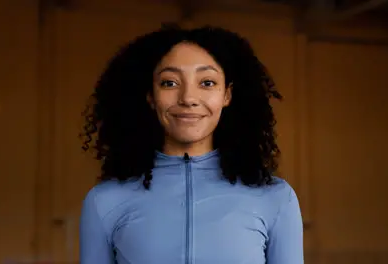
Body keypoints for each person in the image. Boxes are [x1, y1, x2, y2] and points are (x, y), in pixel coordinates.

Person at [79, 24, 303, 264]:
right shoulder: (104, 202)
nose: (187, 98)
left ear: (227, 95)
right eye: (169, 83)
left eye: (207, 83)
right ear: (150, 96)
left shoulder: (276, 199)